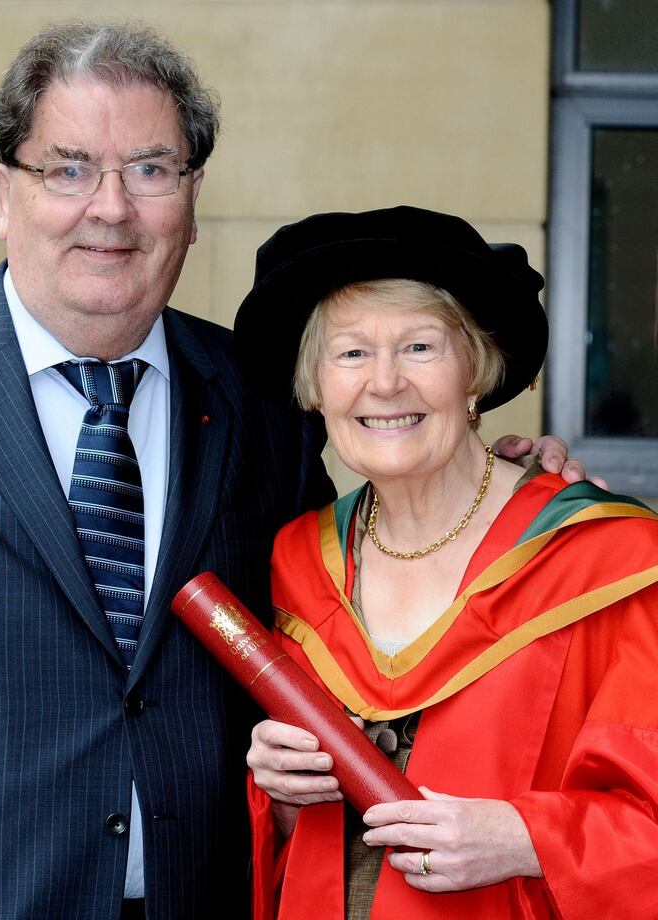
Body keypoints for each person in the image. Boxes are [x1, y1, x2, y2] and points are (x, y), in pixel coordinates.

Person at [0, 21, 587, 920]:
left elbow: (352, 599)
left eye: (152, 169)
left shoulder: (262, 397)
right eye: (70, 167)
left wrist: (502, 493)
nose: (112, 207)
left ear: (192, 201)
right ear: (5, 192)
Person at [237, 206, 658, 920]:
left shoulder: (610, 562)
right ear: (317, 389)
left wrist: (529, 839)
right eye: (350, 353)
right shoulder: (301, 563)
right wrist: (278, 792)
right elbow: (300, 848)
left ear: (477, 373)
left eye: (420, 348)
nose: (385, 382)